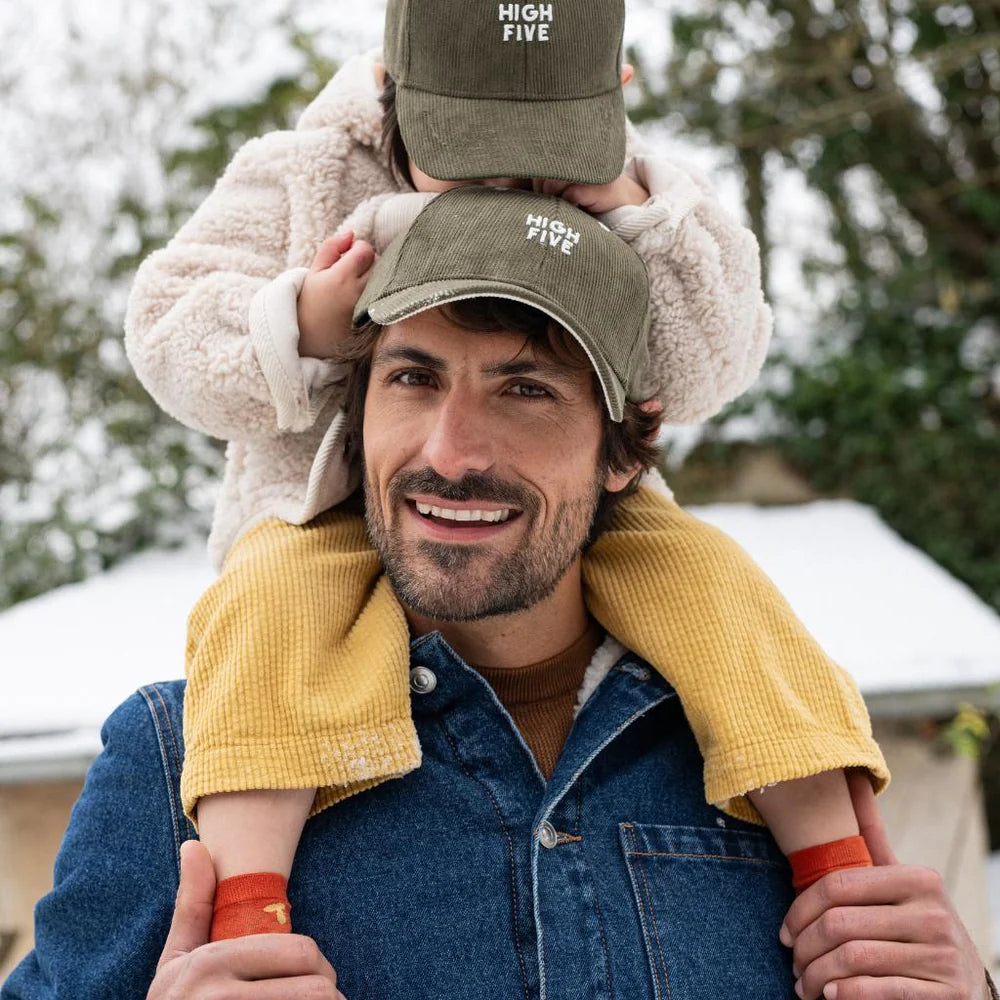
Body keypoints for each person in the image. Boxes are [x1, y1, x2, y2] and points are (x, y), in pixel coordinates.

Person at [3, 188, 990, 1000]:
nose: (449, 453)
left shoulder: (777, 752)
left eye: (526, 389)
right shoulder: (183, 762)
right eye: (413, 378)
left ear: (621, 446)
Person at [124, 0, 888, 941]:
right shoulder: (302, 172)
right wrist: (302, 322)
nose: (510, 180)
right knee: (268, 618)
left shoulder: (644, 192)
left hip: (585, 501)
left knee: (728, 600)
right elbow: (166, 327)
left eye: (546, 154)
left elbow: (707, 364)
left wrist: (646, 220)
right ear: (389, 93)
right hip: (319, 504)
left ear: (613, 100)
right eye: (472, 149)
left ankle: (840, 873)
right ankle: (245, 909)